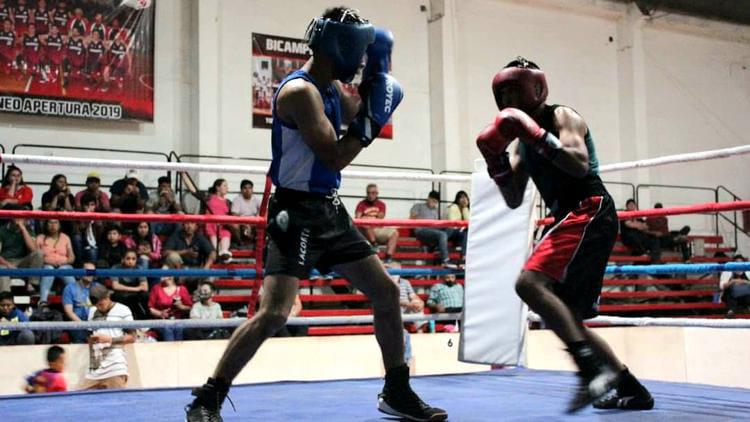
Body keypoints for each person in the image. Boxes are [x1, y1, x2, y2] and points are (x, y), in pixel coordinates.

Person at [186, 8, 445, 422]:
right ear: (338, 47)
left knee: (386, 293)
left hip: (329, 209)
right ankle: (207, 397)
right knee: (273, 313)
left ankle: (397, 389)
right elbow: (335, 153)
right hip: (295, 211)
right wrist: (370, 122)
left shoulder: (329, 89)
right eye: (360, 51)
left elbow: (357, 108)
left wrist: (376, 81)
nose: (361, 59)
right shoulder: (300, 93)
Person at [475, 57, 652, 412]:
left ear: (535, 88)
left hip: (589, 206)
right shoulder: (521, 143)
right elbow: (513, 199)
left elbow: (578, 163)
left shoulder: (562, 117)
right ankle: (631, 389)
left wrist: (537, 136)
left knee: (528, 284)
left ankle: (589, 372)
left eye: (514, 88)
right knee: (568, 317)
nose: (508, 97)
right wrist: (496, 164)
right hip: (570, 215)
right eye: (503, 91)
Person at [79, 284, 135, 390]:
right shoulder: (92, 311)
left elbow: (132, 337)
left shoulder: (123, 310)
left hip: (115, 366)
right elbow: (90, 336)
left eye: (100, 304)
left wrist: (109, 339)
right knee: (82, 401)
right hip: (95, 368)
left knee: (117, 402)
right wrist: (92, 340)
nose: (98, 307)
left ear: (107, 297)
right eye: (96, 305)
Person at [410, 191, 462, 269]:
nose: (434, 203)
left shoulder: (435, 210)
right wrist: (426, 222)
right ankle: (445, 260)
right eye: (433, 201)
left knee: (450, 228)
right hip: (421, 230)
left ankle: (437, 247)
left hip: (433, 230)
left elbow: (438, 222)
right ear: (428, 198)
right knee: (442, 234)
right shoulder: (418, 206)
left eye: (436, 202)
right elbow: (412, 218)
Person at [355, 183, 399, 264]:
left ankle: (388, 258)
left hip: (376, 229)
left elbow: (380, 217)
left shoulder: (381, 204)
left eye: (373, 193)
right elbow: (358, 218)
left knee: (394, 233)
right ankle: (374, 244)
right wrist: (368, 219)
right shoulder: (361, 204)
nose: (370, 195)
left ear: (377, 193)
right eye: (368, 193)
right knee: (365, 223)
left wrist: (367, 218)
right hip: (364, 231)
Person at [37, 219, 76, 305]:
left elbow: (72, 257)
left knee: (64, 270)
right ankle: (43, 300)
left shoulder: (65, 237)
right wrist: (48, 262)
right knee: (48, 269)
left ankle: (77, 299)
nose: (53, 225)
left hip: (64, 265)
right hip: (46, 265)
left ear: (59, 225)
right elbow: (37, 257)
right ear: (46, 225)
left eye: (55, 223)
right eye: (50, 222)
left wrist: (63, 263)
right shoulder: (40, 238)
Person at [0, 218, 44, 293]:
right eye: (17, 217)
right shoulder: (2, 230)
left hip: (22, 261)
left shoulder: (28, 229)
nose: (20, 220)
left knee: (39, 253)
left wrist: (23, 229)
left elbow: (33, 249)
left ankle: (32, 285)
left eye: (22, 217)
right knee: (1, 268)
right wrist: (7, 264)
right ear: (11, 218)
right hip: (5, 262)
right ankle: (5, 294)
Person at [62, 261, 99, 343]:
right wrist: (84, 325)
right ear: (80, 272)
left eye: (92, 272)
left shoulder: (98, 287)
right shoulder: (70, 288)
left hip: (96, 322)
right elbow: (69, 312)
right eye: (87, 271)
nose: (89, 274)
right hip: (78, 324)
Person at [148, 271, 192, 341]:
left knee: (179, 328)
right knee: (167, 328)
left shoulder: (182, 289)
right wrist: (160, 313)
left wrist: (181, 306)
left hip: (178, 320)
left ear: (171, 276)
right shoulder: (156, 288)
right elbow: (150, 308)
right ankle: (171, 350)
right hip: (161, 321)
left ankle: (178, 350)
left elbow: (189, 307)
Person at [110, 249, 149, 320]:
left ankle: (145, 320)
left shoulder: (139, 269)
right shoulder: (115, 268)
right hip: (121, 295)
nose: (131, 261)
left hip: (134, 296)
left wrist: (131, 289)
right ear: (123, 259)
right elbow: (115, 286)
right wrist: (136, 288)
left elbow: (145, 287)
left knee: (145, 295)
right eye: (128, 258)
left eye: (133, 259)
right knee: (115, 296)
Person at [620, 199, 661, 263]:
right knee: (634, 236)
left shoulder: (637, 215)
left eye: (633, 205)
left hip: (639, 236)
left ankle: (655, 257)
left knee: (654, 239)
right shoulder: (624, 214)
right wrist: (638, 225)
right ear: (627, 206)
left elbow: (645, 226)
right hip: (628, 237)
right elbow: (629, 224)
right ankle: (643, 253)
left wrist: (637, 224)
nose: (632, 206)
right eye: (630, 205)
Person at [204, 178, 233, 262]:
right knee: (216, 249)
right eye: (225, 185)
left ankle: (225, 254)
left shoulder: (228, 202)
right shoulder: (209, 198)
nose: (227, 188)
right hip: (211, 226)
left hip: (223, 227)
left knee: (224, 247)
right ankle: (223, 258)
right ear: (217, 187)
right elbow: (194, 191)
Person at [230, 179, 261, 245]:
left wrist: (257, 217)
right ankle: (241, 243)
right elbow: (234, 214)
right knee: (234, 225)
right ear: (241, 190)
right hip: (241, 221)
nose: (247, 190)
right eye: (245, 188)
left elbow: (263, 210)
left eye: (250, 188)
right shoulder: (237, 199)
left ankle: (259, 243)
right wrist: (244, 223)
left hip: (254, 221)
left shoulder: (256, 199)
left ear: (252, 189)